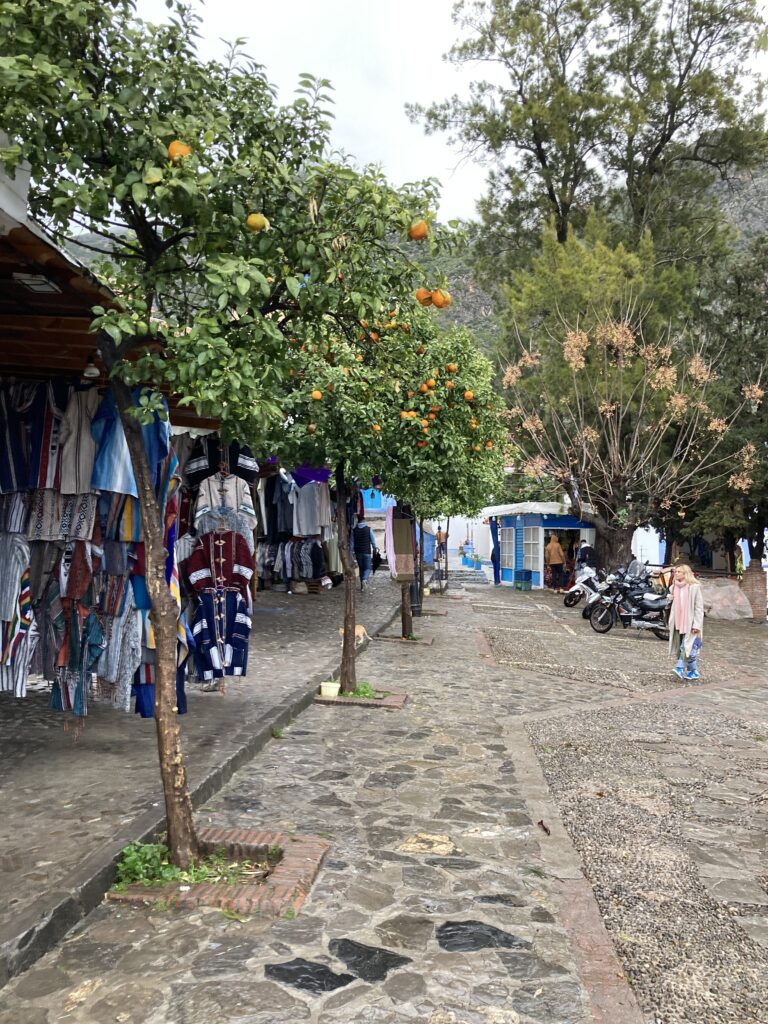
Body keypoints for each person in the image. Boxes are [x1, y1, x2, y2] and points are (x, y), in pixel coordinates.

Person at [667, 563, 704, 680]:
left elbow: (699, 608)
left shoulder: (694, 587)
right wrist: (669, 599)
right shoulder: (673, 588)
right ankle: (694, 672)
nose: (676, 574)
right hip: (678, 622)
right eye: (675, 572)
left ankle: (679, 668)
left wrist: (697, 625)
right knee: (683, 647)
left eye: (679, 572)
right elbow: (670, 606)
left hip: (690, 623)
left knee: (686, 646)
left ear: (685, 574)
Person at [352, 516, 377, 591]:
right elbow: (373, 541)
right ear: (364, 520)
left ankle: (362, 587)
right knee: (368, 568)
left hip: (358, 552)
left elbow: (352, 543)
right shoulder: (369, 529)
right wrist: (374, 548)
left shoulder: (354, 530)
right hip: (367, 552)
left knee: (361, 569)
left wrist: (353, 553)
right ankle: (364, 580)